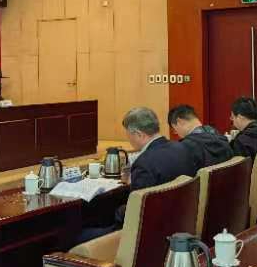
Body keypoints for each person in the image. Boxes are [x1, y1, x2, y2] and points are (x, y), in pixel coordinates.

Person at [76, 107, 195, 243]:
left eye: (129, 136)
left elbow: (136, 211)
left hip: (146, 235)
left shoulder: (144, 163)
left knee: (75, 236)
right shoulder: (183, 149)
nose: (129, 140)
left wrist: (117, 212)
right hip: (179, 223)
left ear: (139, 134)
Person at [168, 104, 233, 170]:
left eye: (174, 129)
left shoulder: (186, 147)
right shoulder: (219, 136)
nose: (176, 133)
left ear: (179, 121)